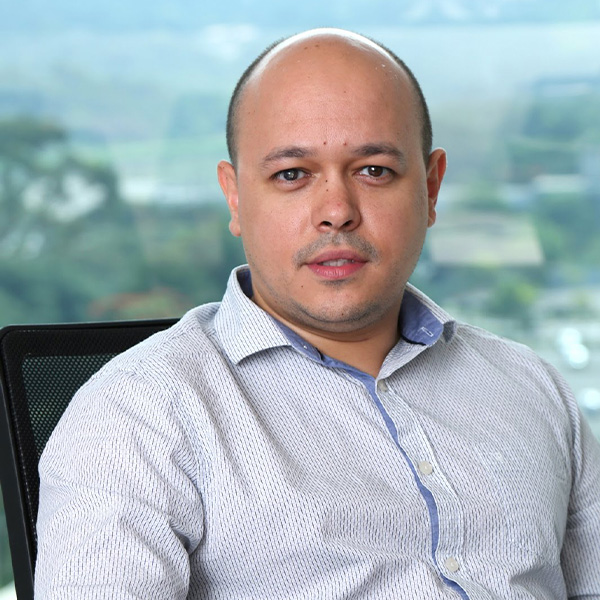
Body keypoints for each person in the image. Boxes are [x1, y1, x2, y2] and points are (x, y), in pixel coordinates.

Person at [35, 28, 600, 599]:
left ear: (430, 188)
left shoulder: (533, 388)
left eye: (374, 170)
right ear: (235, 196)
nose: (336, 212)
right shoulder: (137, 417)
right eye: (292, 175)